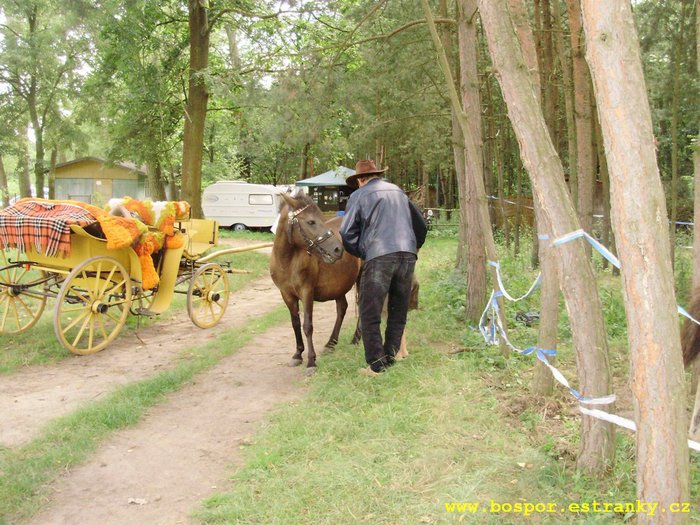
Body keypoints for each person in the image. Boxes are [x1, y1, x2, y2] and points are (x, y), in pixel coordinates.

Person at [340, 159, 427, 375]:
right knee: (398, 311)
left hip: (379, 256)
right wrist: (411, 247)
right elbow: (422, 226)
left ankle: (377, 366)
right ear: (377, 175)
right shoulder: (398, 192)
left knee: (370, 312)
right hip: (407, 255)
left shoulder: (358, 196)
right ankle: (390, 358)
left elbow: (347, 233)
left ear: (360, 180)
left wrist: (365, 251)